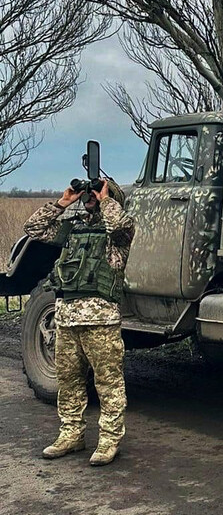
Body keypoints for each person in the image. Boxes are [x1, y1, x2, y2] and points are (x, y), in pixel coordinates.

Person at [24, 179, 135, 466]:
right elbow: (33, 229)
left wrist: (107, 199)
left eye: (94, 194)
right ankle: (71, 434)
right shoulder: (74, 229)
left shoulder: (117, 233)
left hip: (101, 321)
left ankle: (109, 440)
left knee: (108, 382)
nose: (90, 197)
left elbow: (122, 226)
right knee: (68, 381)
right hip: (67, 318)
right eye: (89, 194)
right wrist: (63, 202)